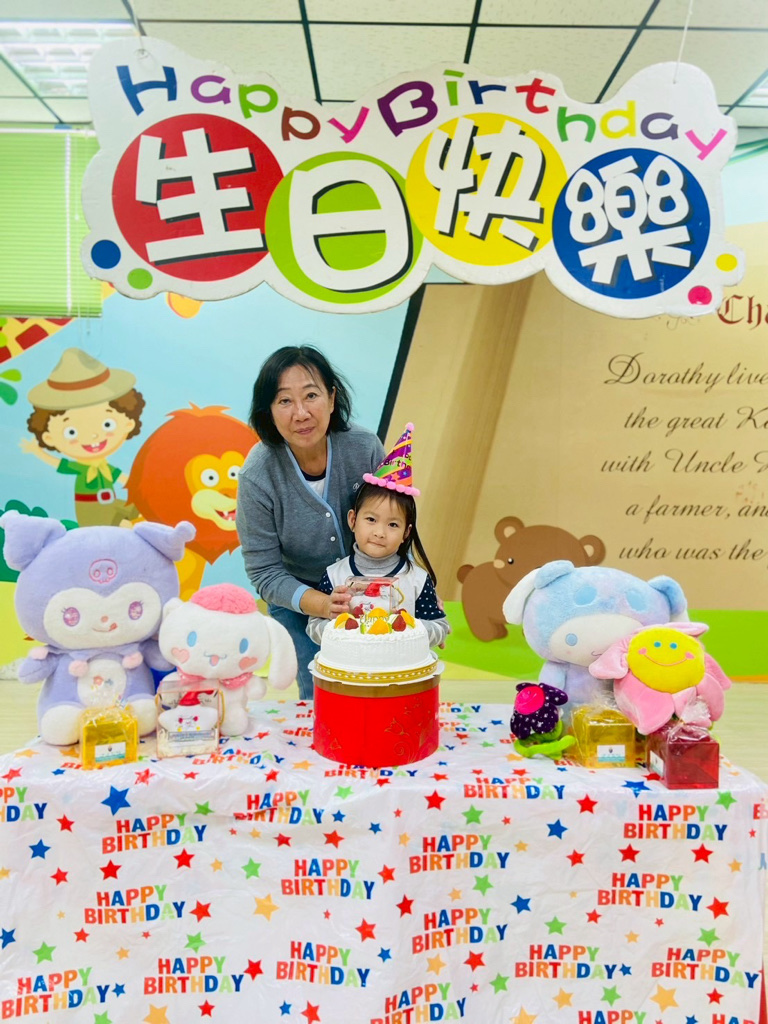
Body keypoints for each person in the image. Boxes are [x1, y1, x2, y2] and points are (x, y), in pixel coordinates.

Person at [236, 345, 385, 699]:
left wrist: (409, 588)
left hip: (369, 587)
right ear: (268, 412)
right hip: (296, 597)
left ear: (332, 399)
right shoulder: (257, 476)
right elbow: (265, 572)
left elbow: (395, 523)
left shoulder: (364, 448)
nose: (300, 413)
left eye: (311, 395)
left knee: (376, 685)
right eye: (284, 401)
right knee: (321, 694)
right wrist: (321, 604)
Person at [307, 423, 450, 648]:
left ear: (406, 533)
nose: (379, 532)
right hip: (350, 667)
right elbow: (314, 626)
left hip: (400, 668)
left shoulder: (416, 580)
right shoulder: (335, 576)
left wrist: (405, 629)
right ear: (353, 520)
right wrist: (342, 627)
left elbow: (439, 627)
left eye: (393, 524)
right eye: (371, 520)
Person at [21, 347, 144, 527]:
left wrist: (139, 487)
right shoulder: (82, 468)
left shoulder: (104, 467)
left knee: (135, 510)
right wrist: (37, 452)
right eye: (71, 432)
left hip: (110, 503)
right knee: (112, 524)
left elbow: (124, 479)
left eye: (107, 424)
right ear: (49, 438)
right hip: (90, 507)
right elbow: (58, 464)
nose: (93, 436)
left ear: (128, 423)